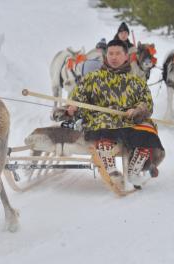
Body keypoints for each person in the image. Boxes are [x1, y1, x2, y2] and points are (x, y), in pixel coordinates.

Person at [66, 39, 164, 187]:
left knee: (149, 131)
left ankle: (133, 172)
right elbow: (78, 97)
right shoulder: (92, 78)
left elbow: (147, 103)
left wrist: (137, 109)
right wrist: (73, 106)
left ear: (126, 56)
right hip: (102, 119)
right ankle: (111, 171)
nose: (114, 57)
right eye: (111, 53)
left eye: (118, 53)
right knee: (104, 126)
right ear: (106, 56)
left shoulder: (136, 81)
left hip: (129, 121)